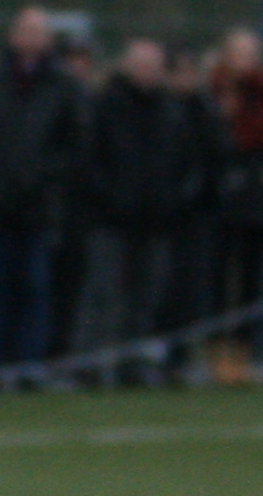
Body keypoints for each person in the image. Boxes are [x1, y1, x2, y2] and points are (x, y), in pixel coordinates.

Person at [0, 7, 83, 382]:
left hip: (40, 208)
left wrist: (47, 179)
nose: (32, 38)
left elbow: (74, 143)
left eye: (39, 31)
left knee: (35, 288)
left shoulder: (63, 88)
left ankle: (29, 364)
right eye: (26, 30)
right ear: (13, 35)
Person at [75, 39, 190, 385]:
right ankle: (88, 364)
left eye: (153, 66)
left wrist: (170, 201)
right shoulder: (104, 106)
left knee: (145, 298)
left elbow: (183, 162)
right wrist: (108, 198)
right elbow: (89, 160)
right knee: (100, 293)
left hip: (155, 222)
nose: (147, 72)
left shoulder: (171, 111)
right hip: (110, 218)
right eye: (141, 64)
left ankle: (132, 365)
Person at [200, 29, 263, 385]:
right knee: (218, 281)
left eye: (250, 53)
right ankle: (215, 355)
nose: (244, 60)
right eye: (238, 52)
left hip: (255, 204)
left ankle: (242, 356)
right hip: (218, 203)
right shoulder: (211, 95)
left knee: (251, 281)